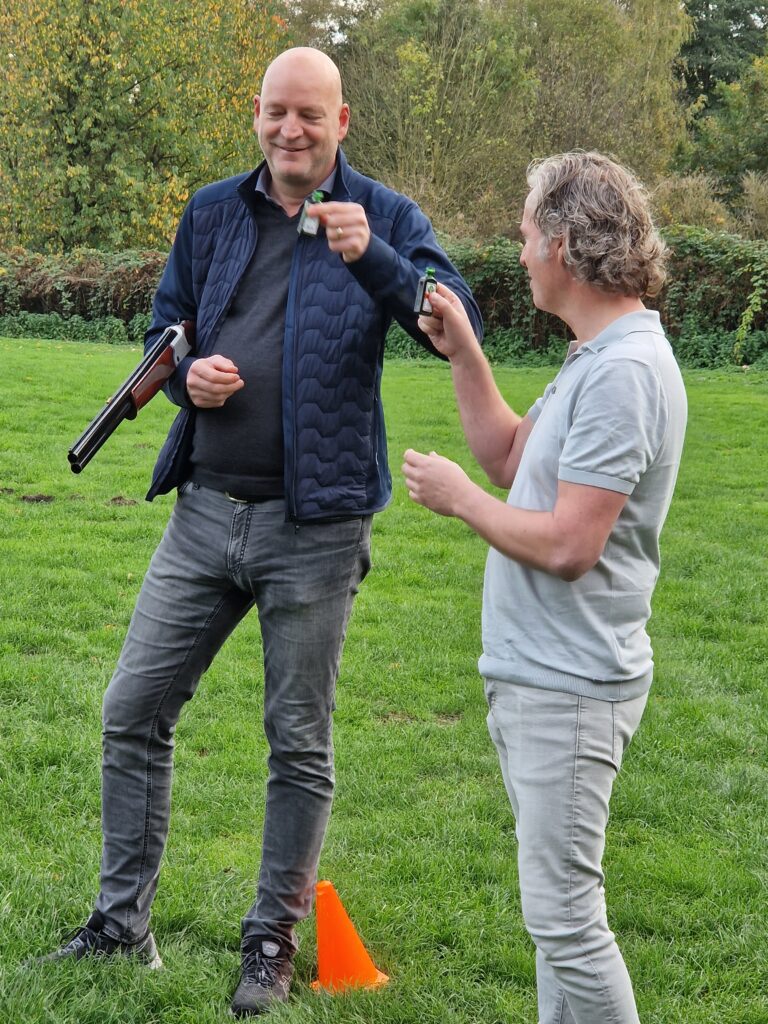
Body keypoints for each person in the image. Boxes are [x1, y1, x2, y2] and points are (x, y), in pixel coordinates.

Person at [35, 46, 481, 1017]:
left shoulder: (385, 218)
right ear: (255, 112)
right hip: (204, 512)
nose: (291, 130)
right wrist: (184, 373)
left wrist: (378, 261)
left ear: (343, 122)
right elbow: (168, 325)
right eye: (277, 112)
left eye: (310, 116)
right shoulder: (210, 211)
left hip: (314, 527)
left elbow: (453, 324)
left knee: (297, 741)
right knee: (131, 708)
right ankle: (120, 927)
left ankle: (271, 941)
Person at [403, 152, 686, 1024]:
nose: (519, 253)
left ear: (563, 244)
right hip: (541, 674)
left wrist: (461, 503)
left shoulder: (624, 372)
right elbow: (514, 457)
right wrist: (466, 355)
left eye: (526, 237)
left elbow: (570, 544)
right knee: (555, 920)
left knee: (567, 923)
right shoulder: (595, 354)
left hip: (571, 684)